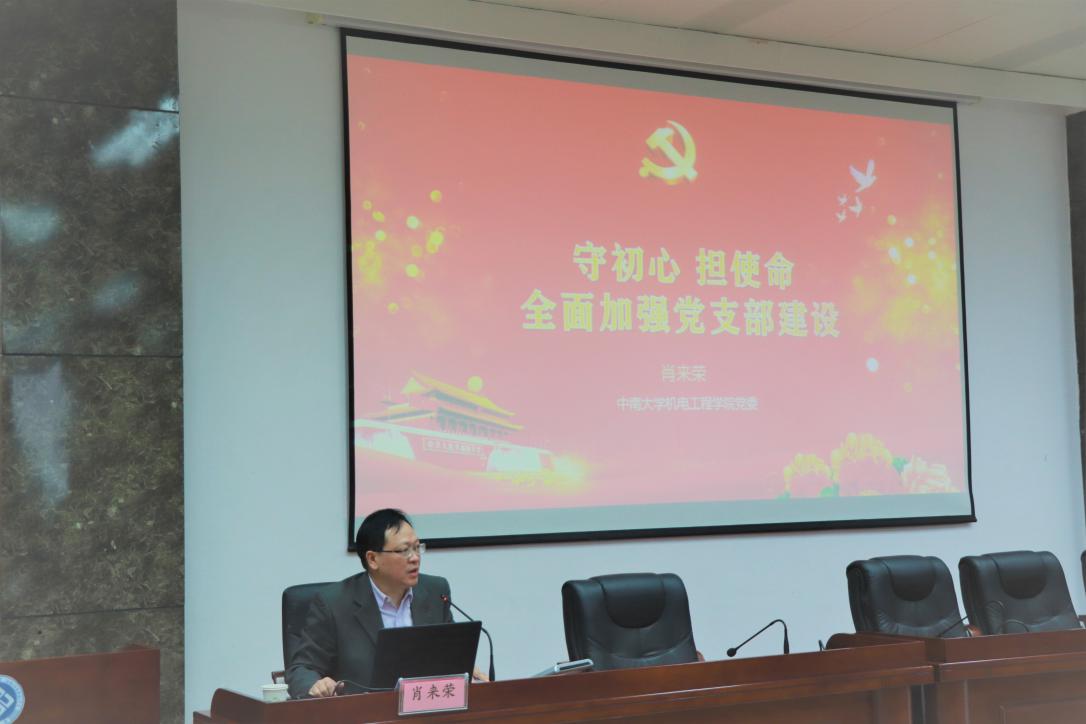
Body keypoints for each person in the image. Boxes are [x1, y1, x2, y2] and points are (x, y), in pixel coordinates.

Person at [286, 508, 453, 698]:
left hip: (426, 708)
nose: (415, 558)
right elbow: (301, 670)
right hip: (362, 710)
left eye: (417, 547)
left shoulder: (435, 592)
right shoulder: (334, 604)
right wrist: (315, 685)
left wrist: (466, 671)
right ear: (373, 559)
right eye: (404, 550)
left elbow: (450, 655)